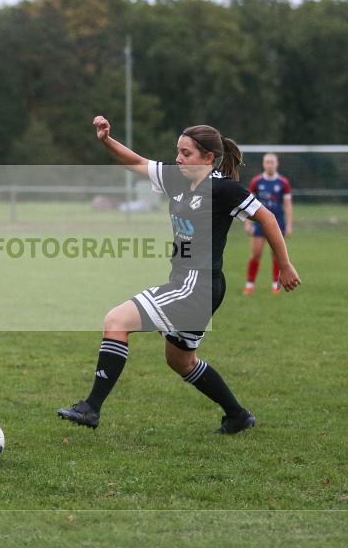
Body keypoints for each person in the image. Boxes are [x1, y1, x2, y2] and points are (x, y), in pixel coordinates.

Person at [58, 116, 300, 434]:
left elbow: (266, 217)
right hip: (194, 285)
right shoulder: (177, 179)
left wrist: (284, 265)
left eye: (186, 153)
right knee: (181, 361)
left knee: (116, 321)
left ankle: (91, 408)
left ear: (208, 158)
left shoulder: (223, 188)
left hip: (196, 285)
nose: (178, 159)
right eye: (178, 151)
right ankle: (238, 416)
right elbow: (136, 162)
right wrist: (106, 141)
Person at [243, 153, 293, 294]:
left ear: (276, 164)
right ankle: (249, 284)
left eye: (272, 162)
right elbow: (247, 204)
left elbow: (288, 205)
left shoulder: (283, 182)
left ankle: (275, 285)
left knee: (277, 255)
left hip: (278, 224)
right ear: (263, 164)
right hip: (259, 224)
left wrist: (289, 224)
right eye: (267, 162)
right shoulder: (256, 182)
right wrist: (247, 223)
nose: (269, 164)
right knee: (256, 253)